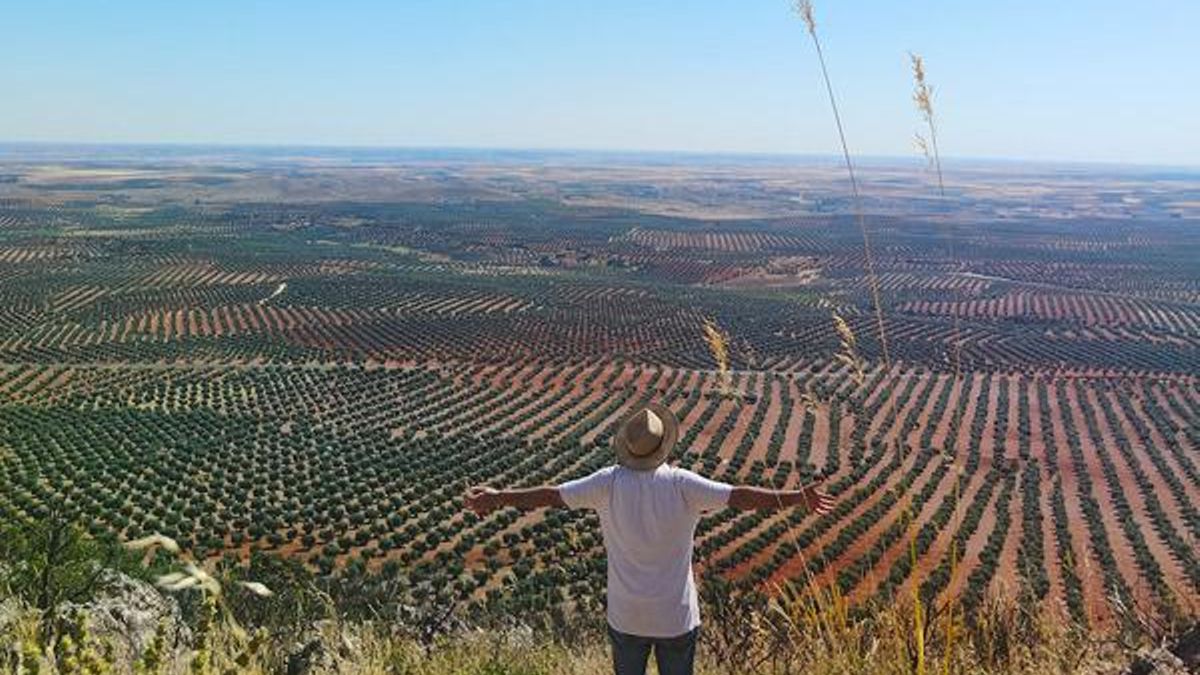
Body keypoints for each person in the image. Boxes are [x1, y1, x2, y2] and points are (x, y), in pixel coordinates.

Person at [465, 402, 834, 675]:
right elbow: (739, 496)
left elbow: (549, 494)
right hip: (676, 617)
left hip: (627, 616)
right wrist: (797, 499)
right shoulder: (683, 485)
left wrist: (497, 497)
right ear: (665, 447)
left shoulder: (606, 482)